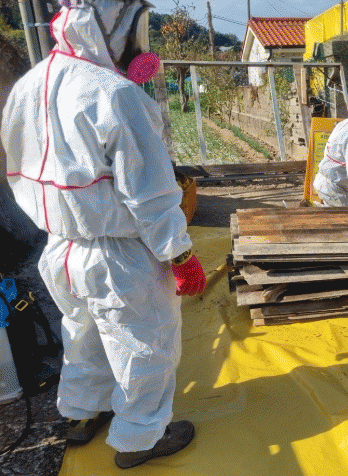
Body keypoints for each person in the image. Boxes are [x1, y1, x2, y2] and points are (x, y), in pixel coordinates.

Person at [1, 0, 207, 469]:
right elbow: (150, 192)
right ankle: (140, 438)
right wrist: (178, 253)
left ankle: (81, 414)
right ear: (111, 28)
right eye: (135, 28)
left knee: (83, 334)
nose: (138, 43)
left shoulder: (28, 85)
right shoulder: (116, 94)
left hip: (60, 248)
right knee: (144, 345)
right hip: (118, 254)